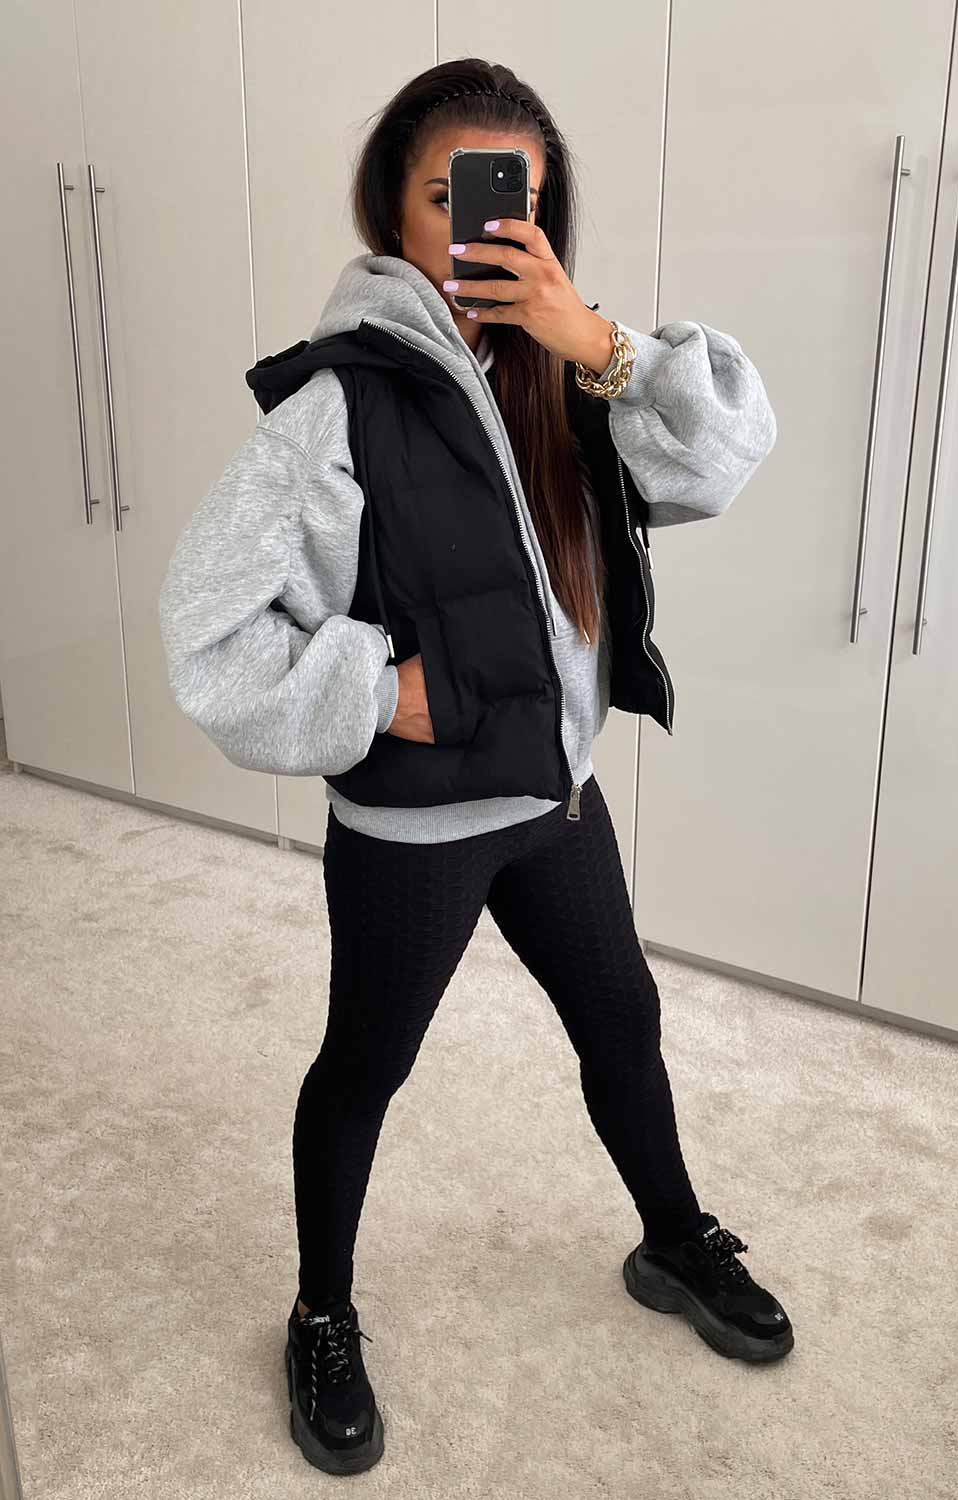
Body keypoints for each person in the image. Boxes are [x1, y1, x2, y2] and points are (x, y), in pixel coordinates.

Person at [159, 57, 789, 1477]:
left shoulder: (565, 371)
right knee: (366, 1068)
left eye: (515, 198)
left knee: (622, 1021)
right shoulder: (338, 404)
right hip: (418, 828)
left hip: (555, 801)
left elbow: (722, 456)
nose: (481, 224)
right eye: (449, 194)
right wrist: (375, 692)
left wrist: (597, 339)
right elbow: (207, 629)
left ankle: (673, 1239)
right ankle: (321, 1314)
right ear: (390, 204)